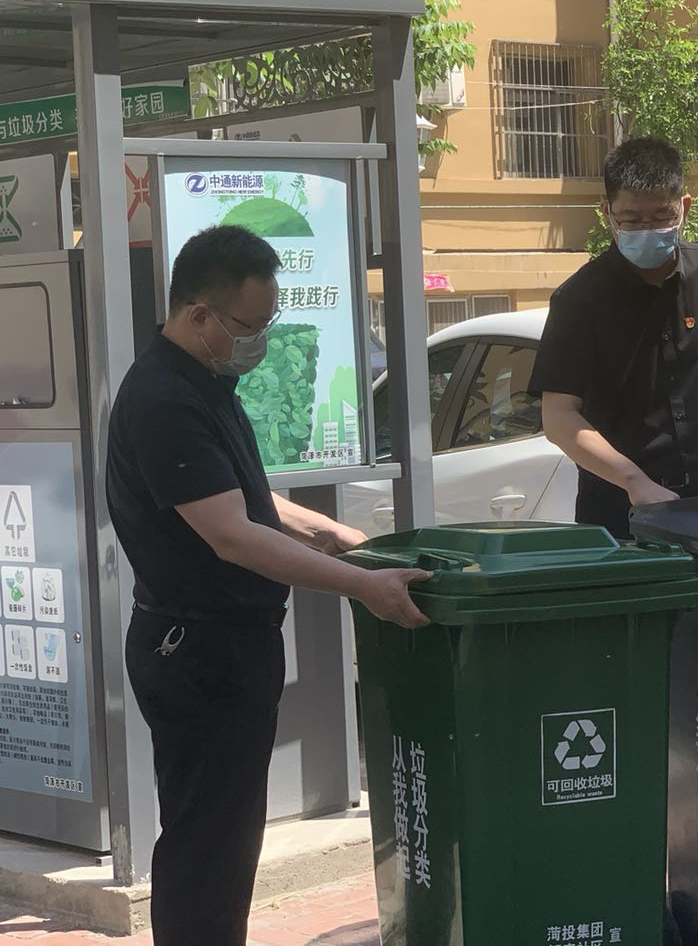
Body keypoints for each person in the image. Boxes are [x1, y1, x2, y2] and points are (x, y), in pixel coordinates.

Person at [106, 224, 431, 945]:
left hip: (227, 645)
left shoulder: (206, 380)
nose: (259, 341)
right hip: (197, 650)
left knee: (226, 841)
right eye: (250, 326)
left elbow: (245, 498)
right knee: (207, 847)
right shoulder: (164, 398)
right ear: (199, 314)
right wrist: (360, 587)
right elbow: (232, 534)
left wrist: (337, 536)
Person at [529, 137, 698, 537]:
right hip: (618, 507)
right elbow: (559, 417)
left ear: (684, 207)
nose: (647, 229)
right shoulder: (579, 298)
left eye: (661, 216)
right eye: (631, 220)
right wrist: (634, 481)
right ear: (607, 212)